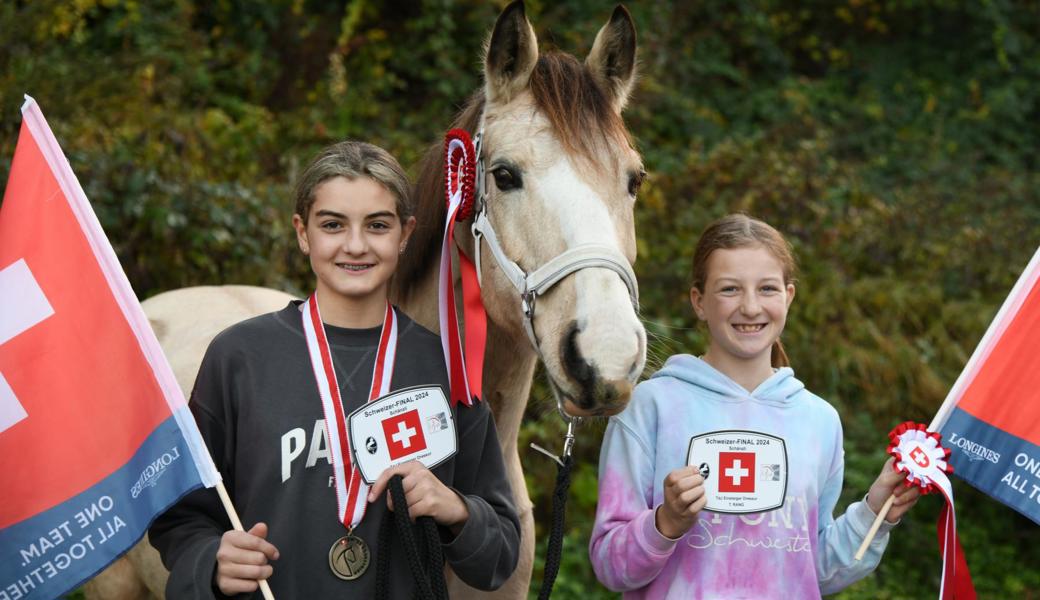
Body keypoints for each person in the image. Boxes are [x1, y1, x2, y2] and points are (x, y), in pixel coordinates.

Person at [149, 141, 520, 598]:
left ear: (405, 234)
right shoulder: (240, 357)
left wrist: (458, 509)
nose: (356, 245)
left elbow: (501, 552)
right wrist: (211, 561)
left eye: (378, 225)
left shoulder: (445, 369)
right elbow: (180, 517)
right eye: (333, 225)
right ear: (303, 233)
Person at [589, 214, 919, 598]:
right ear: (699, 302)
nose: (750, 307)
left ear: (788, 297)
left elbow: (813, 572)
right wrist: (665, 522)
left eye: (767, 289)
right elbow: (611, 566)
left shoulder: (819, 421)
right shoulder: (651, 407)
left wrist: (874, 512)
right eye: (729, 289)